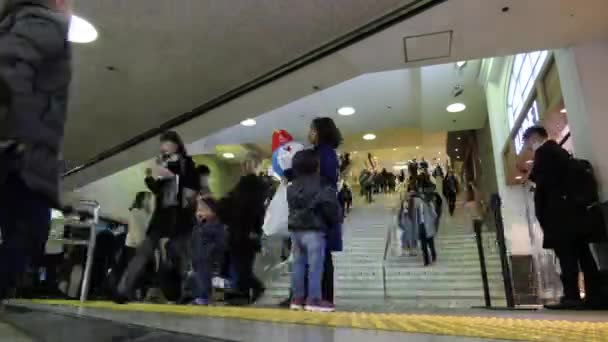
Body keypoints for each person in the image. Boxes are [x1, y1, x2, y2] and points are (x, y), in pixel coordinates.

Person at [0, 0, 72, 301]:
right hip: (21, 153)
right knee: (32, 230)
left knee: (26, 228)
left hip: (21, 151)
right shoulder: (45, 23)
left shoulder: (20, 22)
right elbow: (11, 70)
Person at [523, 125, 603, 309]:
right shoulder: (560, 153)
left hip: (560, 218)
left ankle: (572, 297)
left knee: (567, 257)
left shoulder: (545, 153)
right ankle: (595, 296)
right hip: (574, 215)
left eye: (527, 142)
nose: (527, 147)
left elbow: (545, 185)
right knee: (583, 255)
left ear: (534, 138)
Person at [115, 131, 199, 303]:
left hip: (180, 218)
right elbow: (161, 192)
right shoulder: (163, 163)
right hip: (161, 216)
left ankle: (183, 292)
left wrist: (173, 176)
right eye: (162, 145)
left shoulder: (187, 164)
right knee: (144, 252)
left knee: (178, 255)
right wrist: (150, 179)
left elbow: (190, 190)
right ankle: (122, 289)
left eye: (167, 143)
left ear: (176, 145)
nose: (163, 148)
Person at [288, 149, 341, 312]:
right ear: (316, 165)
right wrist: (333, 220)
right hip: (314, 230)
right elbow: (330, 205)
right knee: (316, 266)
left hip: (296, 230)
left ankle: (297, 298)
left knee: (298, 264)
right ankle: (314, 299)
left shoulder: (292, 186)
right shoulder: (322, 183)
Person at [217, 174, 267, 304]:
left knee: (240, 268)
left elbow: (221, 212)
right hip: (249, 239)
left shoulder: (233, 198)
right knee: (244, 268)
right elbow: (259, 222)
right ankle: (245, 293)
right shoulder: (257, 202)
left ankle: (248, 291)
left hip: (235, 238)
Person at [309, 117, 343, 305]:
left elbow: (320, 183)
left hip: (319, 212)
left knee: (320, 256)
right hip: (323, 210)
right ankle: (322, 298)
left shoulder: (322, 154)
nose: (309, 134)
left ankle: (322, 299)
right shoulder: (328, 153)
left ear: (320, 132)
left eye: (312, 130)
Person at [191, 197, 226, 306]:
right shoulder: (199, 226)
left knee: (214, 278)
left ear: (213, 211)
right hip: (200, 258)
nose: (199, 212)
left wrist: (213, 253)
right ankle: (203, 297)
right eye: (198, 209)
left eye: (203, 209)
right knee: (201, 278)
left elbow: (221, 243)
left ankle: (213, 298)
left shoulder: (216, 226)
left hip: (211, 259)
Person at [409, 187, 438, 266]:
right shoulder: (416, 207)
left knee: (430, 244)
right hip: (421, 226)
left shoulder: (429, 204)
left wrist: (431, 219)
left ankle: (433, 255)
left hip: (428, 226)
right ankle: (426, 261)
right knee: (423, 245)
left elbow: (435, 215)